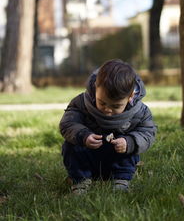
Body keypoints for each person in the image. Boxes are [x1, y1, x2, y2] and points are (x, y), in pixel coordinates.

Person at [59, 59, 156, 194]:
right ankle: (80, 180)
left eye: (116, 106)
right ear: (95, 87)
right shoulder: (81, 103)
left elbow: (148, 133)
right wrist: (83, 135)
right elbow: (67, 123)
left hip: (117, 159)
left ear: (130, 96)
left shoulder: (140, 112)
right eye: (102, 103)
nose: (108, 110)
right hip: (88, 157)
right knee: (71, 144)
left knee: (127, 144)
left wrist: (130, 142)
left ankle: (121, 180)